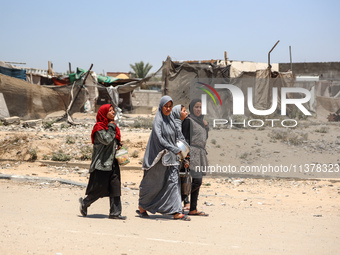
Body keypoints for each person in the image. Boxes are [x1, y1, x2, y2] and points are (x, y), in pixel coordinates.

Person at [137, 96, 191, 221]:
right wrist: (173, 148)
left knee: (173, 183)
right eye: (166, 106)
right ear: (161, 106)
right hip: (158, 158)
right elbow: (159, 139)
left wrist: (185, 148)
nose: (168, 109)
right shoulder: (159, 120)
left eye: (170, 106)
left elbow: (179, 135)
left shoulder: (171, 120)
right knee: (153, 183)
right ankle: (142, 205)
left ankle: (176, 211)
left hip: (172, 158)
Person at [79, 104, 126, 220]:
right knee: (99, 189)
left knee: (115, 187)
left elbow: (113, 141)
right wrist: (111, 127)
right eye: (110, 111)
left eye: (113, 111)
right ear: (103, 113)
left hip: (112, 162)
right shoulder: (99, 128)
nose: (113, 113)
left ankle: (115, 212)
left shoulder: (112, 127)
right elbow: (106, 139)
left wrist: (118, 146)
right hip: (102, 163)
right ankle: (85, 203)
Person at [182, 99, 209, 216]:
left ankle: (193, 208)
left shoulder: (203, 122)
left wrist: (206, 126)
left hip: (201, 154)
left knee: (197, 181)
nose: (198, 109)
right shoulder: (188, 121)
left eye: (201, 107)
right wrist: (186, 157)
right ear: (192, 108)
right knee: (189, 180)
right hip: (191, 153)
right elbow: (184, 139)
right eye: (196, 107)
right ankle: (184, 203)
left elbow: (204, 138)